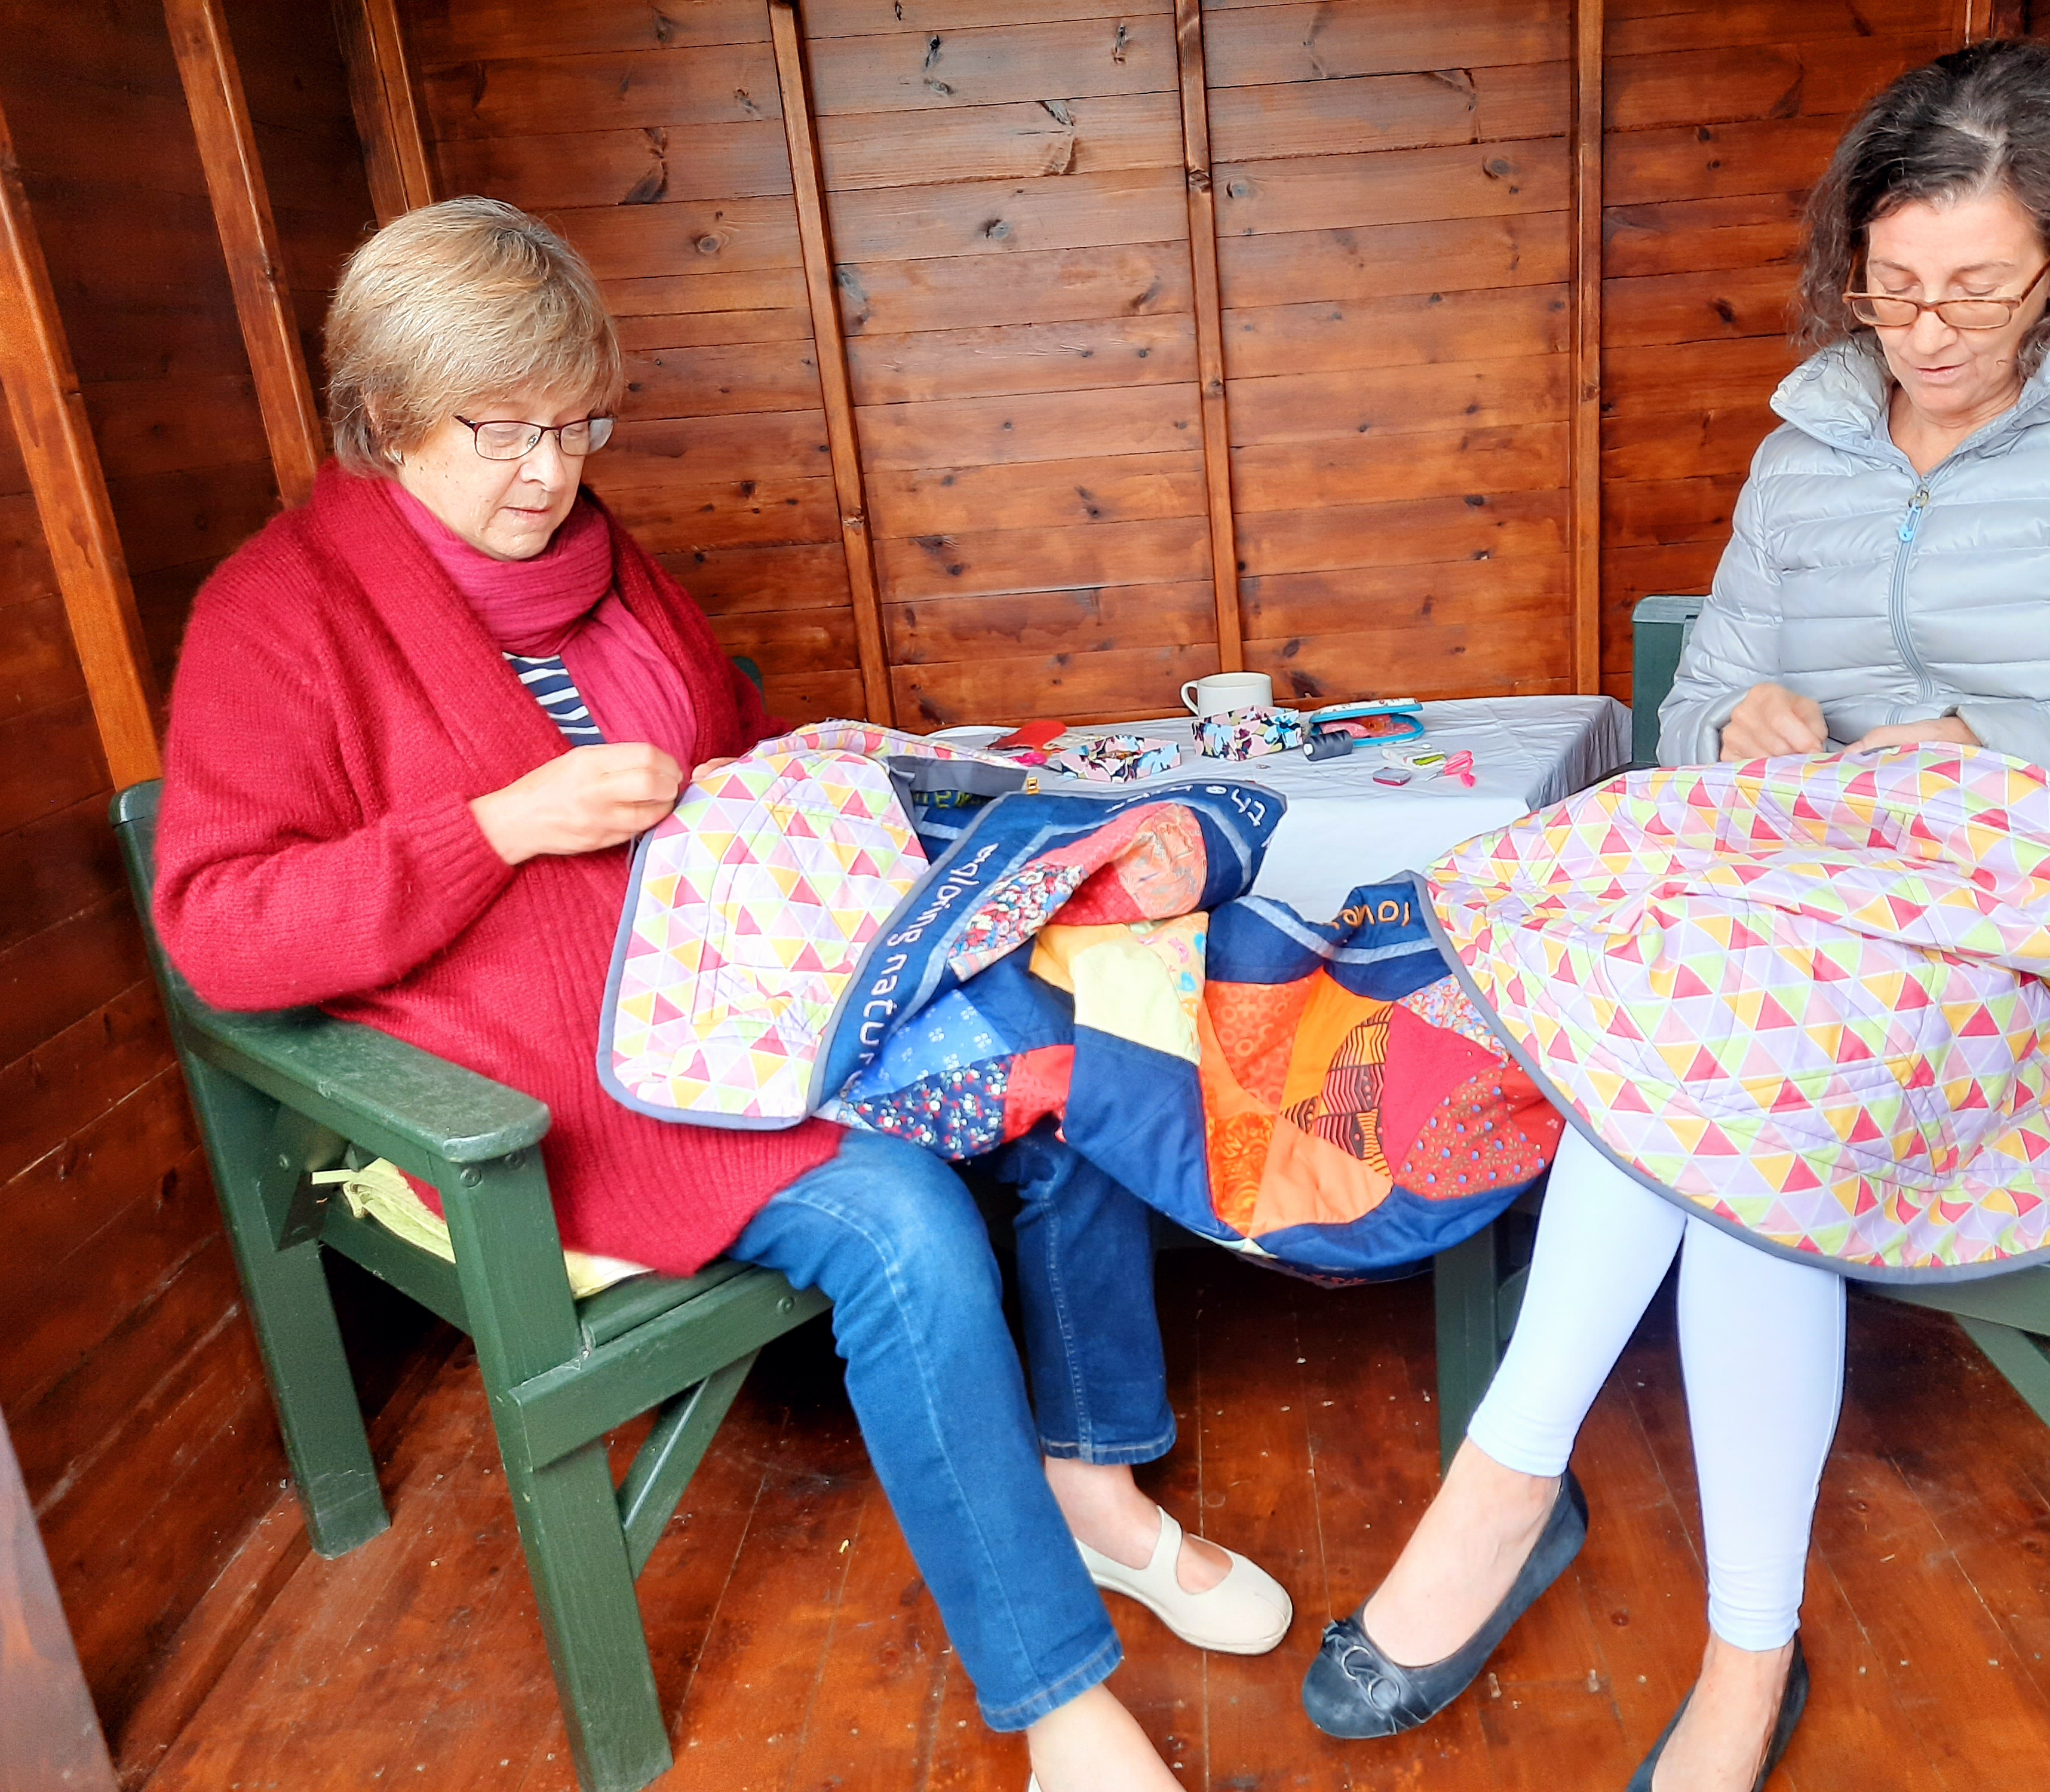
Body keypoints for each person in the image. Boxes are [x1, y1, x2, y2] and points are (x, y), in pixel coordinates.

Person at [1299, 39, 2050, 1791]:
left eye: (1977, 290)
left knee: (1740, 1069)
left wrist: (2005, 746)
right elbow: (1700, 702)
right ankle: (1723, 1631)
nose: (1925, 335)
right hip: (1816, 910)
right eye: (1889, 286)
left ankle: (1517, 1499)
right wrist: (1741, 721)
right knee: (1721, 1043)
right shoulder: (1811, 438)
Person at [150, 197, 1289, 1792]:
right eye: (502, 430)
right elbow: (217, 928)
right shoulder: (278, 614)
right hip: (566, 1080)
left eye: (576, 424)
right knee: (903, 1227)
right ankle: (1056, 1705)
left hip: (759, 995)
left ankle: (1092, 1486)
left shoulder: (604, 563)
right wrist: (494, 828)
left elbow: (730, 753)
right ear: (388, 414)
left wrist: (858, 803)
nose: (549, 472)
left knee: (1075, 1050)